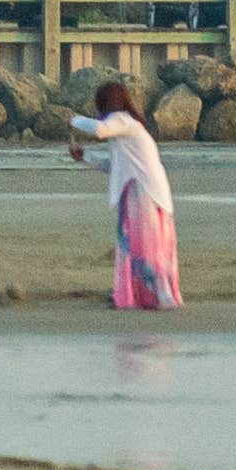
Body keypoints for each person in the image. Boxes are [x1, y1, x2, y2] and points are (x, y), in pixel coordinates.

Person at [77, 72, 177, 312]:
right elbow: (115, 165)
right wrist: (85, 158)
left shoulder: (123, 121)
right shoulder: (127, 127)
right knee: (137, 244)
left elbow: (99, 130)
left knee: (146, 244)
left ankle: (159, 296)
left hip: (143, 191)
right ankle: (140, 295)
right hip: (138, 189)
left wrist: (73, 120)